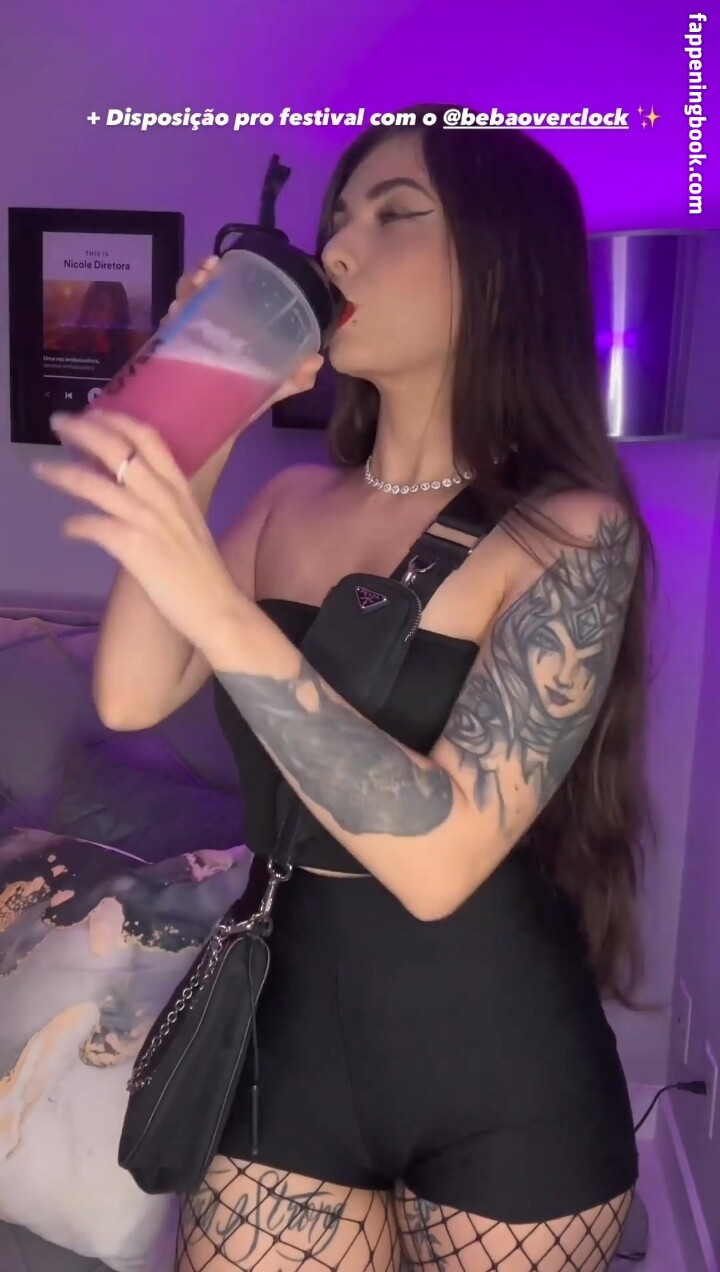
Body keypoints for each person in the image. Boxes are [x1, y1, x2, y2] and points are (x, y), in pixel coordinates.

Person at [52, 107, 656, 1271]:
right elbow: (130, 693)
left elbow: (440, 863)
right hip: (284, 1045)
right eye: (339, 217)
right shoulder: (287, 506)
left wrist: (214, 599)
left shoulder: (573, 533)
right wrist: (211, 403)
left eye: (395, 215)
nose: (337, 247)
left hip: (506, 1079)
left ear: (500, 268)